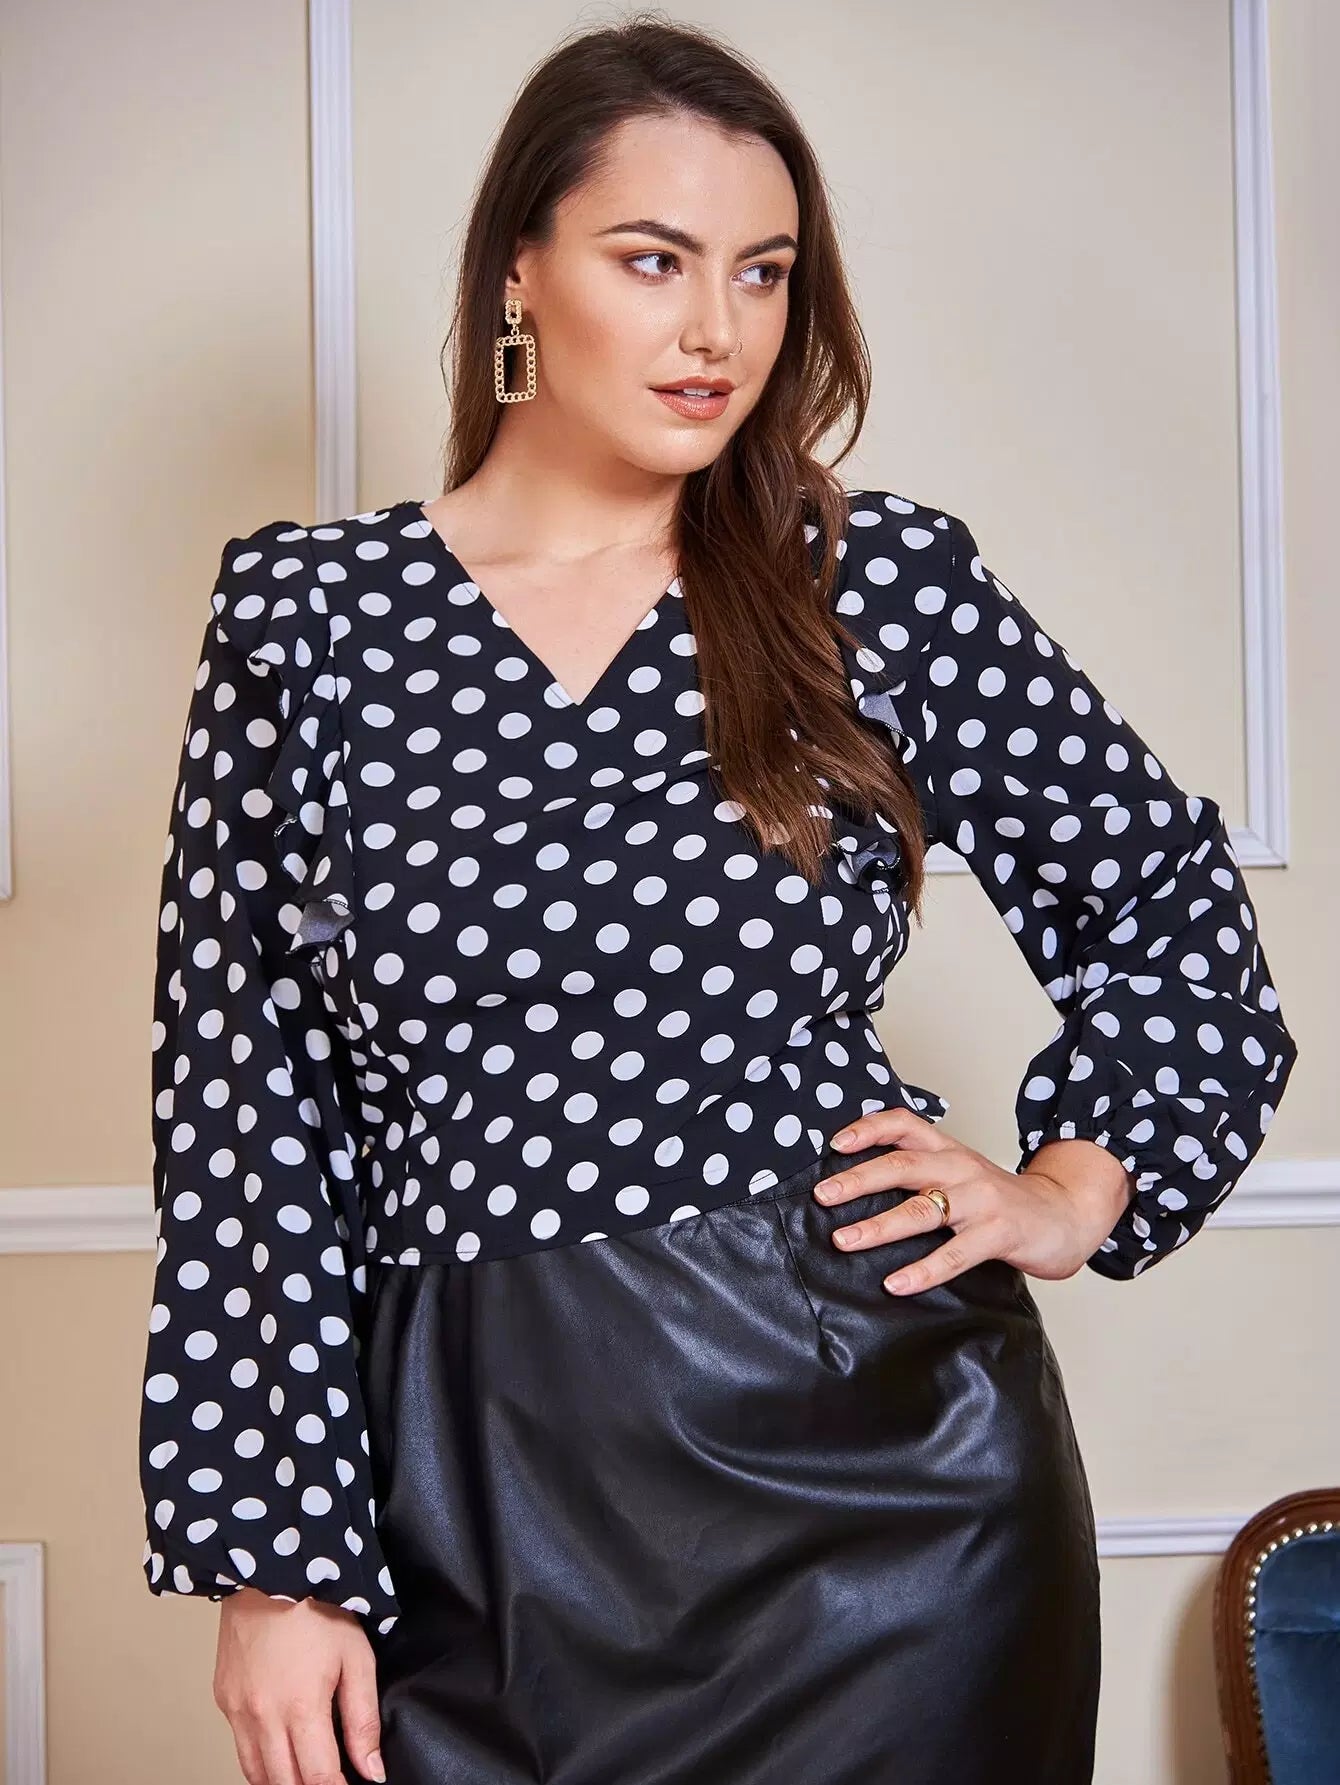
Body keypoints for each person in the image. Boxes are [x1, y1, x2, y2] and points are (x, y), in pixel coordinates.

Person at [137, 16, 1299, 1784]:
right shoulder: (310, 622)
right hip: (474, 1500)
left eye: (762, 272)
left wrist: (1068, 1189)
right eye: (653, 260)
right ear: (520, 268)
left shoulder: (874, 579)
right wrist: (274, 1565)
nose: (718, 331)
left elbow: (1171, 912)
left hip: (890, 1508)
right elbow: (246, 1102)